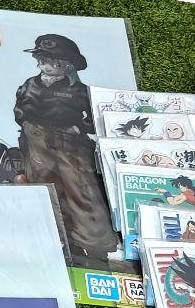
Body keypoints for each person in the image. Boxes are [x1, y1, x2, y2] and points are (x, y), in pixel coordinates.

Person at [14, 34, 120, 263]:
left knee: (81, 190)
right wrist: (28, 124)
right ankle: (57, 239)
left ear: (67, 65)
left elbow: (93, 118)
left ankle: (94, 245)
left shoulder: (80, 90)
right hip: (38, 141)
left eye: (53, 61)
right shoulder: (30, 85)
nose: (47, 65)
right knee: (45, 189)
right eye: (43, 60)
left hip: (70, 145)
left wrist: (77, 127)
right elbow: (20, 109)